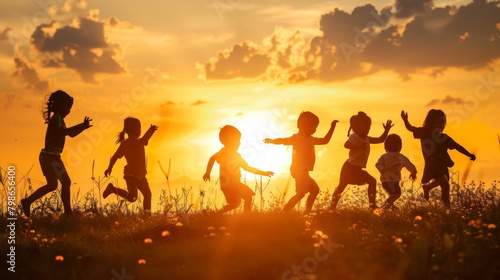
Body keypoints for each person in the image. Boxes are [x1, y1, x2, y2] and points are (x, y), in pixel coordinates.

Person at [21, 90, 92, 217]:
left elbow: (70, 133)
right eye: (67, 107)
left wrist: (82, 127)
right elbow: (63, 132)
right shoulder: (58, 118)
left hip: (46, 157)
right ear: (59, 106)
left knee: (52, 185)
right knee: (66, 182)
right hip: (51, 157)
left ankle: (27, 201)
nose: (69, 111)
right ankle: (68, 213)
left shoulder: (58, 119)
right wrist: (81, 125)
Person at [264, 111, 338, 214]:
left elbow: (325, 140)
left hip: (304, 172)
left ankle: (306, 213)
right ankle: (284, 212)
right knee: (301, 194)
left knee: (315, 190)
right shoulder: (296, 138)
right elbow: (283, 140)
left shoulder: (312, 140)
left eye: (315, 127)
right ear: (302, 126)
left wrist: (332, 127)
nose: (314, 129)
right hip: (298, 170)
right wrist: (272, 141)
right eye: (313, 126)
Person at [401, 109, 475, 208]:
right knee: (446, 186)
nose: (441, 125)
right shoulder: (424, 132)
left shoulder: (444, 137)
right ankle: (447, 209)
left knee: (445, 184)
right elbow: (410, 128)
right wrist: (405, 120)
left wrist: (469, 154)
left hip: (442, 165)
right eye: (439, 123)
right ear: (431, 122)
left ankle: (427, 187)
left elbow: (457, 146)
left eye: (443, 123)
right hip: (433, 166)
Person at [330, 112, 393, 211]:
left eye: (369, 126)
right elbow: (346, 144)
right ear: (357, 127)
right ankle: (331, 208)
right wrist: (357, 146)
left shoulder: (367, 139)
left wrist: (386, 130)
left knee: (372, 181)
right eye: (366, 126)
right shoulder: (354, 136)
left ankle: (372, 205)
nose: (368, 128)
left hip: (357, 169)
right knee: (341, 187)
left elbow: (380, 139)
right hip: (349, 168)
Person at [203, 125, 274, 213]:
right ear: (229, 141)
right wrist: (264, 173)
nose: (239, 143)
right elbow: (248, 168)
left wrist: (207, 173)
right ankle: (245, 216)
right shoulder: (229, 154)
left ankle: (219, 213)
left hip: (228, 185)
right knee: (244, 198)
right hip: (232, 185)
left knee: (236, 203)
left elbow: (212, 158)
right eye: (237, 141)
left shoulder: (224, 153)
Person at [103, 117, 157, 213]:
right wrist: (151, 130)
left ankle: (147, 216)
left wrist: (109, 168)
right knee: (133, 197)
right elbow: (145, 139)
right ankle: (112, 189)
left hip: (140, 175)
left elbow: (114, 157)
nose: (139, 131)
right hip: (131, 175)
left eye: (140, 129)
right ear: (130, 131)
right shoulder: (135, 142)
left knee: (147, 195)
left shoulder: (125, 144)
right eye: (138, 129)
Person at [375, 134, 417, 210]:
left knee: (393, 195)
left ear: (385, 148)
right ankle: (383, 208)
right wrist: (413, 173)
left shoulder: (384, 156)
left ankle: (391, 207)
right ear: (400, 148)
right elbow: (411, 167)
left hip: (385, 181)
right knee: (397, 194)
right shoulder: (401, 157)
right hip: (394, 181)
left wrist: (381, 170)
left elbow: (378, 164)